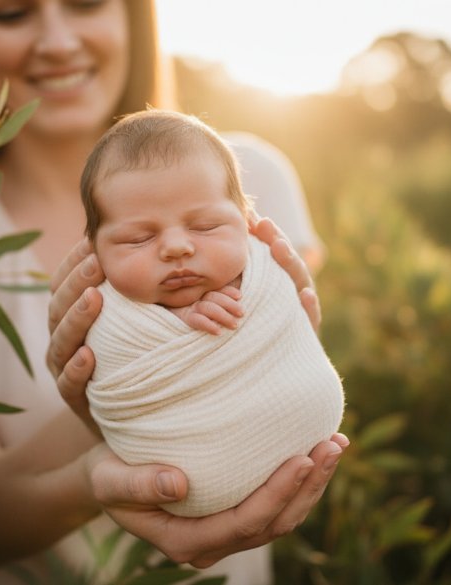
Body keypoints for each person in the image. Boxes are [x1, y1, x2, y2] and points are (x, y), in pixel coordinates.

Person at [0, 1, 349, 583]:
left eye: (85, 3)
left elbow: (284, 403)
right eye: (11, 12)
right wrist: (102, 445)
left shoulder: (247, 177)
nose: (57, 41)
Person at [80, 109, 345, 518]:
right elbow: (111, 346)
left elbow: (283, 317)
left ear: (246, 222)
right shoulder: (98, 302)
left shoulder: (261, 262)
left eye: (204, 226)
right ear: (94, 250)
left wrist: (255, 302)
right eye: (139, 237)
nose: (175, 247)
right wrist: (178, 321)